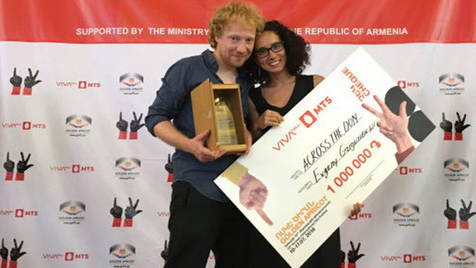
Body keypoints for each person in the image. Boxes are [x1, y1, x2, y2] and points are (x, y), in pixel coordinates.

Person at [144, 2, 264, 267]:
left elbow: (239, 123)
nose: (242, 48)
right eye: (234, 38)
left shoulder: (245, 77)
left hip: (237, 189)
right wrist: (190, 145)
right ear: (216, 35)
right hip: (197, 184)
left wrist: (246, 135)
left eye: (248, 40)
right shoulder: (188, 69)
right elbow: (155, 118)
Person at [244, 20, 363, 268]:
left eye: (276, 46)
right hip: (276, 204)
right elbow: (250, 153)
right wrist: (257, 125)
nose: (271, 55)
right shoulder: (251, 98)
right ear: (254, 58)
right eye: (262, 51)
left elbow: (345, 139)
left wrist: (353, 192)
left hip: (319, 200)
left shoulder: (317, 84)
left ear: (288, 47)